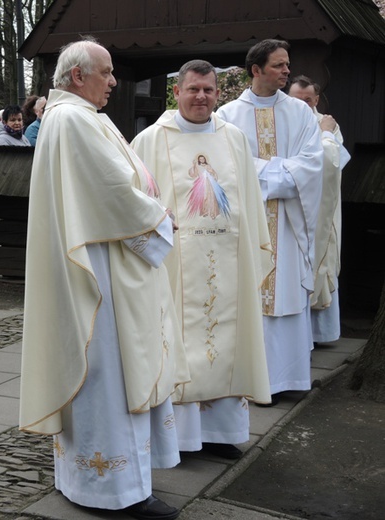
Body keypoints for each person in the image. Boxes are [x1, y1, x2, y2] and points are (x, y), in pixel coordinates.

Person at [19, 37, 189, 520]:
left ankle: (91, 481)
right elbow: (113, 191)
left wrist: (151, 210)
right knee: (110, 375)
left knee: (102, 376)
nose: (114, 81)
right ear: (78, 75)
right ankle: (117, 492)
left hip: (103, 261)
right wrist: (159, 220)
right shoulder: (72, 118)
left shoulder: (75, 116)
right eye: (107, 72)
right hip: (102, 275)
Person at [131, 60, 273, 460]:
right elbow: (136, 201)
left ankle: (222, 433)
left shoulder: (233, 139)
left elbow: (248, 198)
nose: (201, 97)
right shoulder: (150, 140)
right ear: (176, 92)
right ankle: (183, 439)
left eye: (209, 90)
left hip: (227, 255)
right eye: (193, 89)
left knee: (229, 342)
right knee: (179, 342)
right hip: (174, 263)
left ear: (217, 93)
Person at [216, 39, 323, 406]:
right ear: (256, 70)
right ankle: (252, 381)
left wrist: (260, 172)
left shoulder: (301, 113)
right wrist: (275, 172)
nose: (286, 71)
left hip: (290, 223)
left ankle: (289, 378)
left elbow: (312, 164)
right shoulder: (227, 115)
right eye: (278, 65)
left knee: (288, 295)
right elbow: (227, 168)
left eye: (287, 64)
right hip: (247, 225)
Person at [289, 75, 350, 344]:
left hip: (320, 205)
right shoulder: (283, 120)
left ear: (315, 100)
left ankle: (321, 334)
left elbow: (333, 164)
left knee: (321, 257)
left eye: (307, 100)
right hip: (292, 202)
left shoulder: (326, 123)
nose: (301, 104)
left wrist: (326, 134)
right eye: (295, 99)